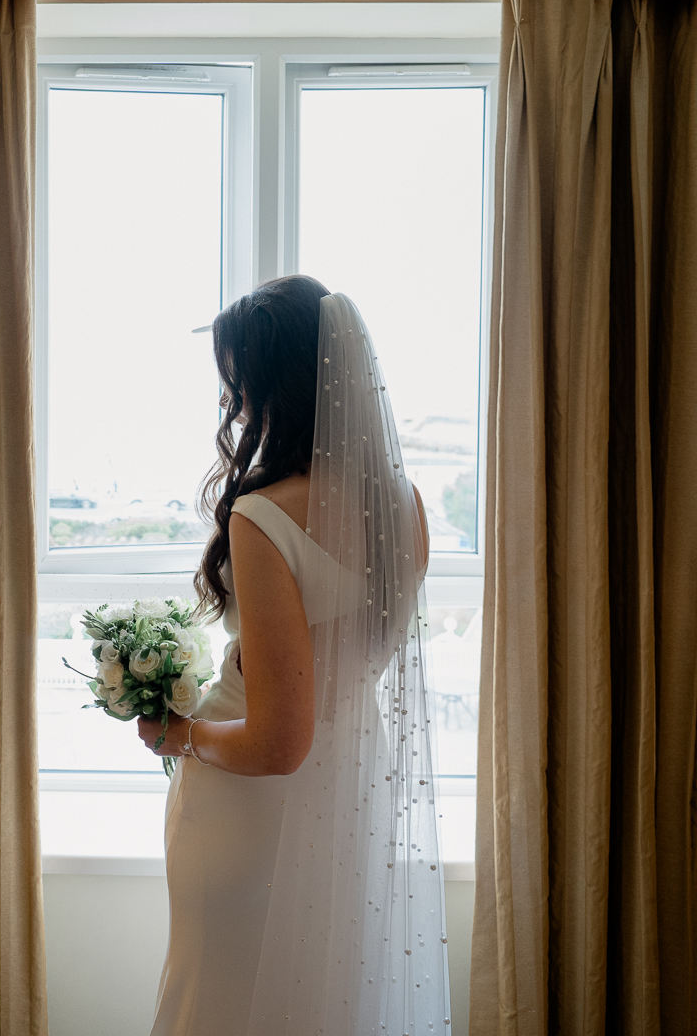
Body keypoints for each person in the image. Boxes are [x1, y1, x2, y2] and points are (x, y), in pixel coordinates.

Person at [138, 274, 449, 1036]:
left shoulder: (263, 515)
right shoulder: (405, 506)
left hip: (250, 810)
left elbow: (279, 740)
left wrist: (176, 737)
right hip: (347, 800)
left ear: (277, 385)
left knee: (218, 999)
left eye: (237, 383)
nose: (229, 403)